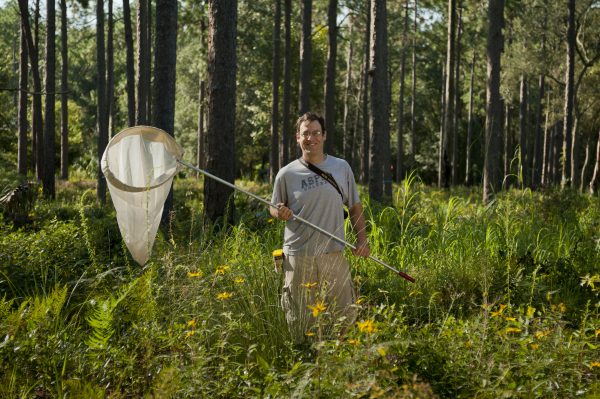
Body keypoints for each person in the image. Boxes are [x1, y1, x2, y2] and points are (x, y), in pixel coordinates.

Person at [270, 111, 370, 341]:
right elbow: (273, 207)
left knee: (343, 316)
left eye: (316, 133)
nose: (310, 138)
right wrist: (280, 212)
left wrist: (362, 240)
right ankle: (305, 363)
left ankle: (341, 364)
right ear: (297, 137)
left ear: (324, 136)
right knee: (301, 321)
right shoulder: (286, 174)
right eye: (305, 133)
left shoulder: (341, 167)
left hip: (333, 253)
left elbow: (354, 207)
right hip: (298, 257)